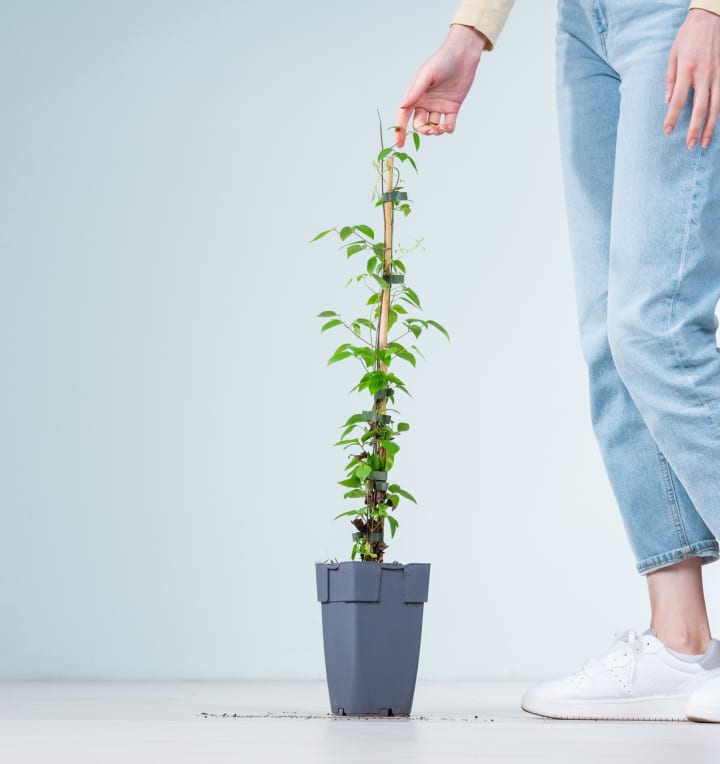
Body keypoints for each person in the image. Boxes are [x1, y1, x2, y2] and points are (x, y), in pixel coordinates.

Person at [395, 0, 720, 722]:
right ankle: (680, 642)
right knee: (610, 334)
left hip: (678, 11)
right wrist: (471, 31)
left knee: (655, 327)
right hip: (585, 23)